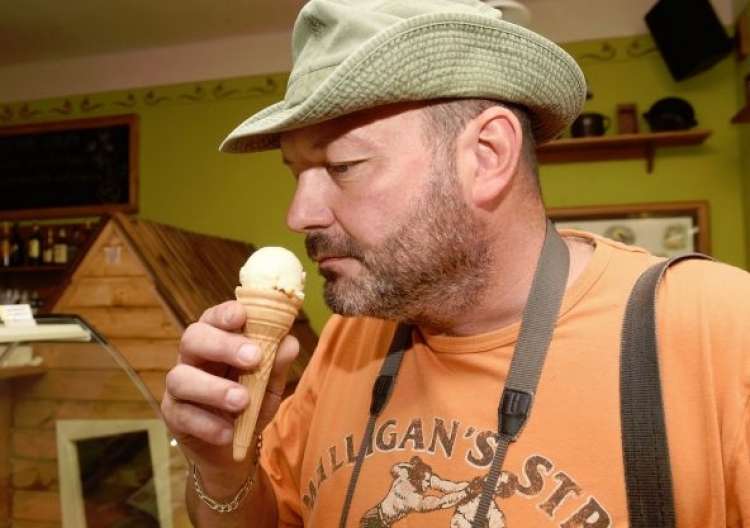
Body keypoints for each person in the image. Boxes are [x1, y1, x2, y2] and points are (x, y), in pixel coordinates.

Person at [161, 0, 750, 526]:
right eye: (297, 173)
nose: (299, 215)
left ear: (488, 155)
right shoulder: (350, 337)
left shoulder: (718, 328)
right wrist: (220, 468)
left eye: (343, 166)